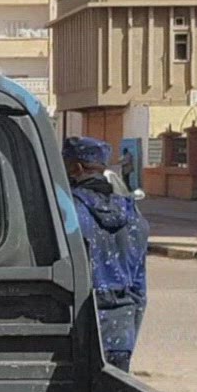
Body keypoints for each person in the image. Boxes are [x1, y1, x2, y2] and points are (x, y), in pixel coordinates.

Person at [62, 137, 148, 371]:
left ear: (76, 168)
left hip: (77, 330)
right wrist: (128, 334)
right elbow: (139, 289)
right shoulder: (133, 215)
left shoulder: (67, 212)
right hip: (120, 332)